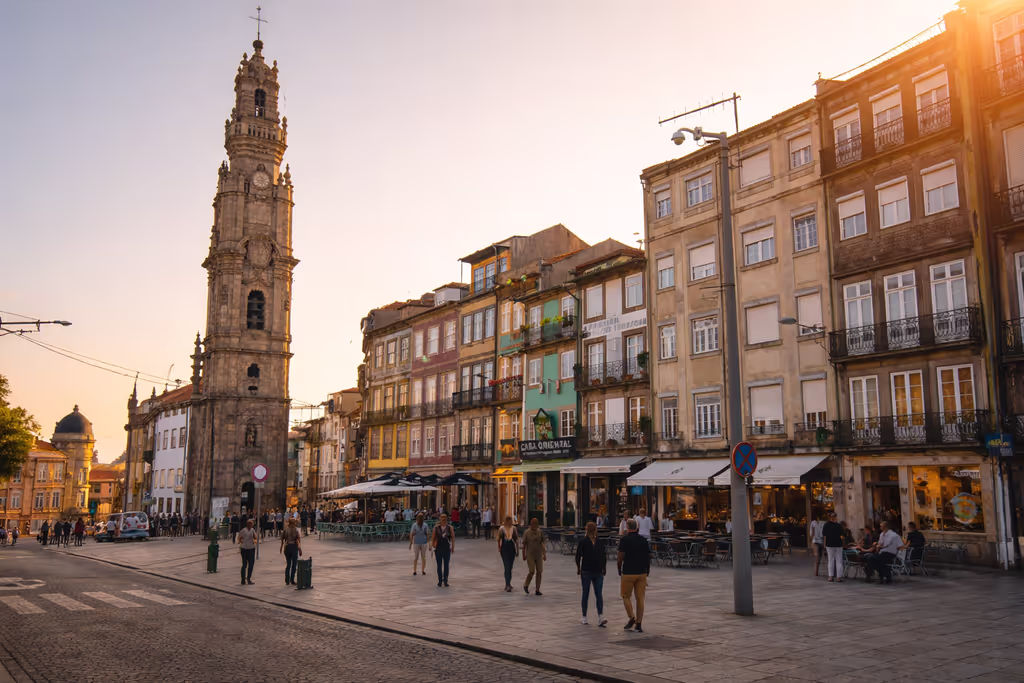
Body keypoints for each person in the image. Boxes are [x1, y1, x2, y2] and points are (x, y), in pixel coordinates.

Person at [617, 518, 650, 633]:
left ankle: (631, 617)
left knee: (626, 596)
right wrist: (647, 570)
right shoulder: (643, 540)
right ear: (637, 527)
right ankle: (639, 623)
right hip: (641, 572)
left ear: (627, 527)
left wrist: (619, 568)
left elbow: (621, 556)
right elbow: (648, 556)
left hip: (628, 571)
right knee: (640, 598)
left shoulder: (624, 540)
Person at [575, 521, 608, 626]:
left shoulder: (583, 542)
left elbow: (577, 556)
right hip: (597, 570)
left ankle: (585, 616)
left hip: (587, 570)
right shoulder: (599, 542)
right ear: (595, 530)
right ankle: (599, 616)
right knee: (598, 593)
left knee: (586, 593)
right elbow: (603, 556)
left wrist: (578, 568)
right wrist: (604, 568)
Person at [522, 518, 546, 596]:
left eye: (536, 524)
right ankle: (526, 584)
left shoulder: (540, 532)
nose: (534, 525)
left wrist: (544, 554)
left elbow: (542, 543)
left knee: (539, 571)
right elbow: (524, 544)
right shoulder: (527, 533)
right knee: (531, 571)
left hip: (539, 554)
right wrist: (523, 554)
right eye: (533, 524)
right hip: (530, 554)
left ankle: (537, 589)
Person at [431, 513, 454, 587]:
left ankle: (446, 580)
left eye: (444, 517)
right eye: (442, 517)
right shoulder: (436, 528)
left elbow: (453, 537)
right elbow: (433, 537)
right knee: (439, 565)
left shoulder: (449, 527)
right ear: (440, 518)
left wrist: (453, 547)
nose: (443, 519)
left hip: (446, 547)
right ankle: (440, 580)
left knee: (446, 565)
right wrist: (432, 547)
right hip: (438, 547)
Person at [821, 513, 845, 583]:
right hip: (838, 544)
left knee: (831, 560)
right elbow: (841, 536)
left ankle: (831, 576)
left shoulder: (826, 525)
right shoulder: (839, 526)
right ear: (836, 517)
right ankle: (839, 577)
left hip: (829, 545)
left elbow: (824, 536)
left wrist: (824, 545)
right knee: (839, 560)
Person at [497, 515, 518, 592]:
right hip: (504, 548)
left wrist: (517, 550)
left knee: (510, 567)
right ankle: (507, 584)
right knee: (507, 566)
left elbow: (516, 539)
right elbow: (499, 539)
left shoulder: (514, 529)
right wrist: (499, 548)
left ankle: (509, 582)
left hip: (512, 548)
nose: (509, 522)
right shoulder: (502, 529)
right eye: (508, 521)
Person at [280, 517, 302, 586]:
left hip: (287, 546)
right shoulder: (296, 530)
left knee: (288, 563)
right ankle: (292, 579)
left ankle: (287, 580)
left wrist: (281, 547)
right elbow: (298, 540)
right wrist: (299, 549)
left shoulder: (286, 529)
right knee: (294, 564)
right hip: (293, 547)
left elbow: (282, 538)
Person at [238, 518, 258, 585]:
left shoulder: (252, 530)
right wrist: (242, 542)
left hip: (251, 548)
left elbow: (255, 537)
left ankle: (248, 578)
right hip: (244, 548)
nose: (251, 525)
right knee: (244, 564)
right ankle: (243, 579)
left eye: (251, 524)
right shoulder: (243, 530)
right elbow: (239, 538)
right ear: (248, 524)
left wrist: (254, 541)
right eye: (250, 524)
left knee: (251, 564)